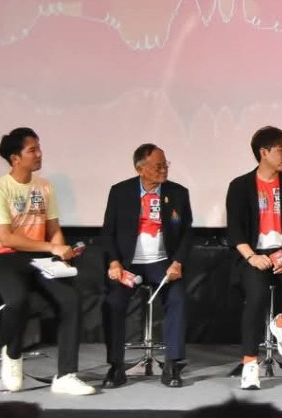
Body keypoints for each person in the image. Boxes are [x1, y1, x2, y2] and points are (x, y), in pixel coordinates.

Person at [0, 128, 94, 395]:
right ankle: (11, 352)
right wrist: (51, 248)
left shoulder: (44, 186)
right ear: (15, 158)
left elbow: (53, 229)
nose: (39, 154)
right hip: (1, 258)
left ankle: (66, 375)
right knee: (17, 298)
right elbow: (6, 238)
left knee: (71, 299)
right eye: (32, 150)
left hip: (38, 258)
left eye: (39, 148)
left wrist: (61, 255)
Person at [226, 126, 282, 390]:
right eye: (280, 150)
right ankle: (250, 364)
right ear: (263, 153)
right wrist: (252, 257)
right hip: (253, 255)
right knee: (256, 297)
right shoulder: (240, 186)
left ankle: (280, 321)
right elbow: (235, 231)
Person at [100, 144, 193, 388]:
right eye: (157, 166)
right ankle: (116, 366)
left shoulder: (178, 193)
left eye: (165, 165)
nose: (163, 170)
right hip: (128, 264)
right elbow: (108, 232)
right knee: (113, 302)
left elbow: (186, 233)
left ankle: (172, 364)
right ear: (140, 169)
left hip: (163, 263)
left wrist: (177, 262)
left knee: (177, 298)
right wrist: (114, 263)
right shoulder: (120, 192)